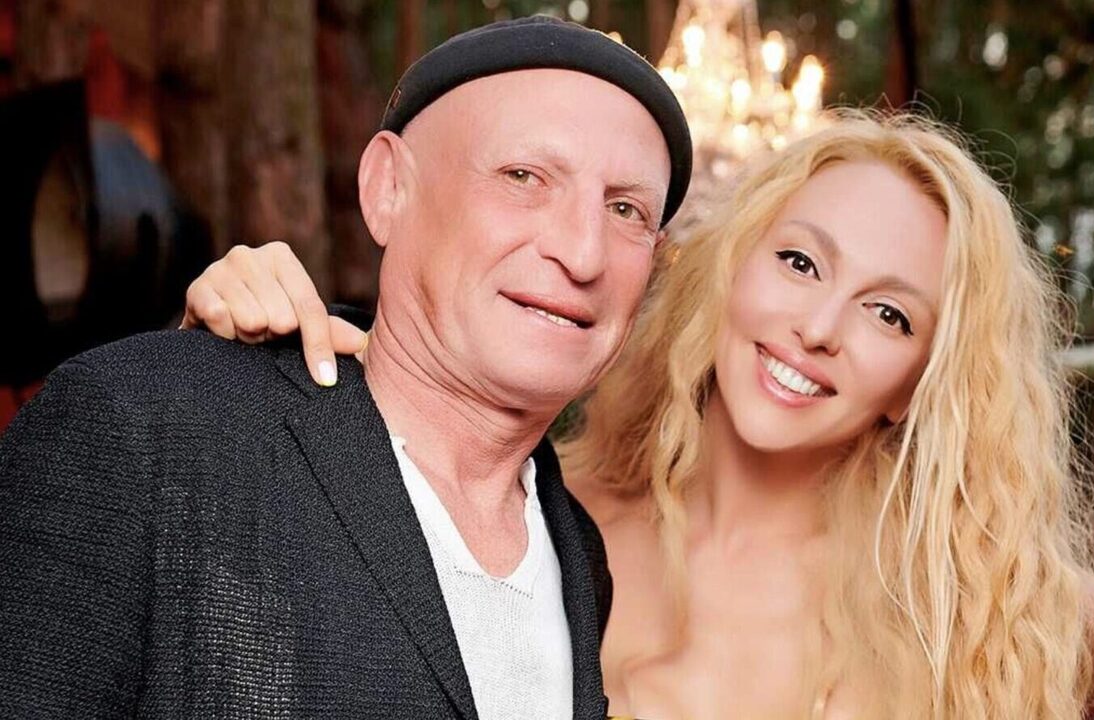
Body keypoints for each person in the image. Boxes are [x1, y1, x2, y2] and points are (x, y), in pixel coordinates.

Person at [187, 111, 1094, 719]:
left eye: (889, 315)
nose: (818, 328)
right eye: (800, 262)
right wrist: (236, 344)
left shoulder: (966, 593)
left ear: (920, 381)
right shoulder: (533, 521)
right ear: (727, 271)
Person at [0, 17, 692, 720]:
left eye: (625, 209)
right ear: (388, 187)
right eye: (523, 177)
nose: (583, 253)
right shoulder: (143, 427)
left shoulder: (579, 556)